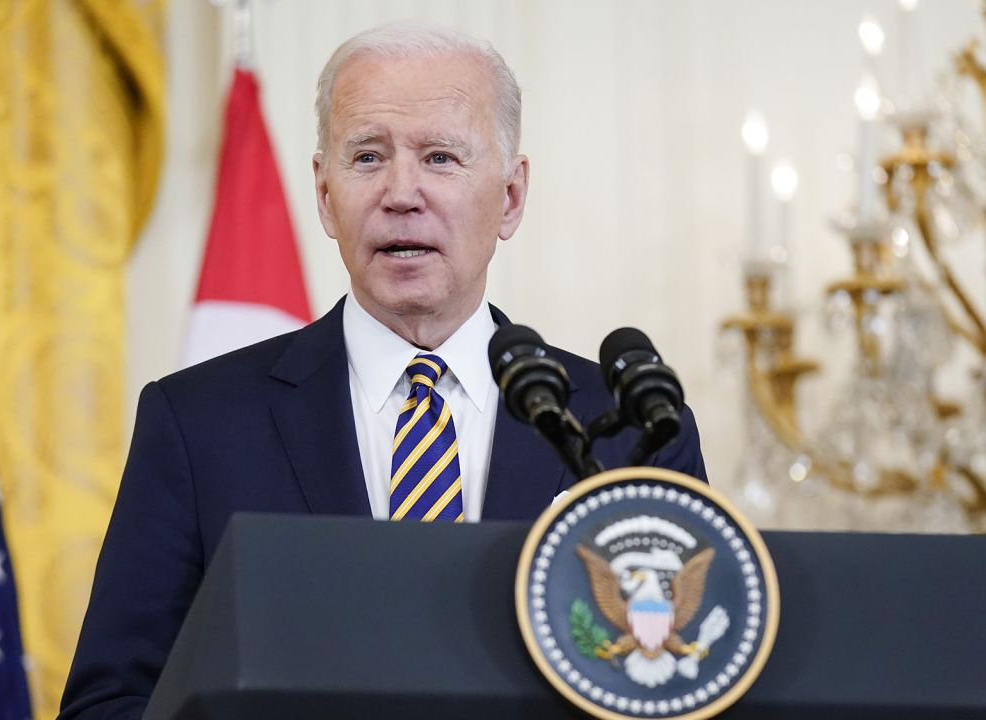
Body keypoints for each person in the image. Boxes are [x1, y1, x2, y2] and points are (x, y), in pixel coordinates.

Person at [57, 21, 705, 719]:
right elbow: (110, 703)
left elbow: (695, 681)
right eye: (367, 157)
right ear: (325, 192)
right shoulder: (199, 424)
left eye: (440, 158)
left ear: (511, 197)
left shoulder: (630, 429)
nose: (402, 193)